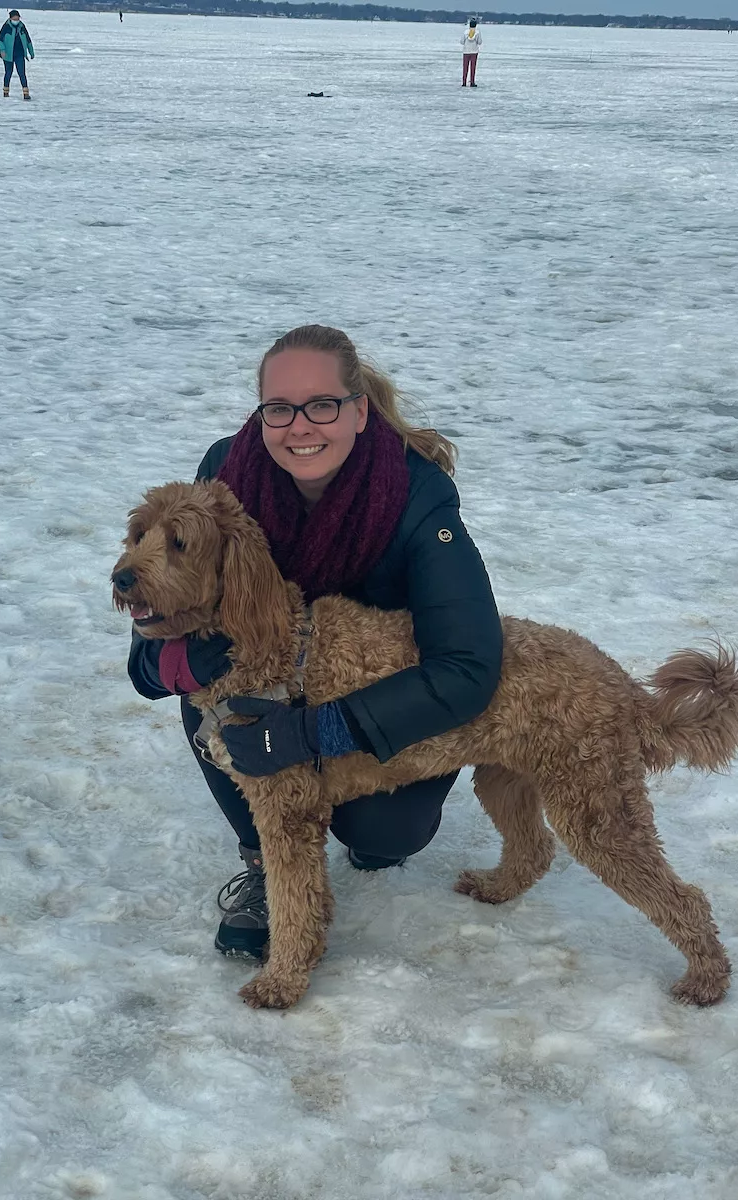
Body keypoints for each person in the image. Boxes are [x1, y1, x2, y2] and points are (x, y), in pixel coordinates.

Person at [127, 325, 504, 959]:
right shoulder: (223, 476)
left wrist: (316, 734)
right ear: (261, 413)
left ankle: (365, 827)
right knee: (216, 699)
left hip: (377, 693)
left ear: (358, 410)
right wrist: (181, 661)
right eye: (280, 409)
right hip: (265, 684)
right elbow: (155, 620)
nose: (300, 427)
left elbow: (467, 665)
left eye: (322, 405)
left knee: (386, 836)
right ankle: (264, 863)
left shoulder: (416, 497)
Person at [0, 10, 34, 101]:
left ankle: (26, 93)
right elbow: (0, 39)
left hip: (19, 54)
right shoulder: (6, 27)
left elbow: (28, 39)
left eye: (17, 18)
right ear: (10, 18)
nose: (16, 20)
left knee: (22, 73)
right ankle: (6, 91)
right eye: (14, 19)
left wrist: (31, 52)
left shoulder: (21, 27)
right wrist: (2, 50)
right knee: (8, 72)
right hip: (8, 54)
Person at [460, 18, 482, 88]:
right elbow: (479, 42)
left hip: (466, 51)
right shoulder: (477, 32)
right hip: (474, 51)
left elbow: (462, 42)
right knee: (473, 67)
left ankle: (464, 82)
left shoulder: (465, 32)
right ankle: (472, 82)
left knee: (465, 67)